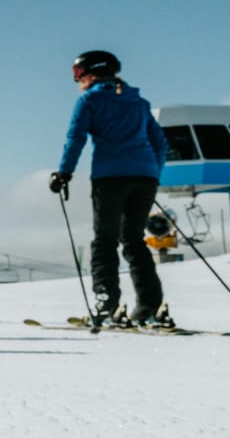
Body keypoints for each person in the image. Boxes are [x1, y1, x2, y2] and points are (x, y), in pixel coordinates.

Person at [49, 49, 166, 324]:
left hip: (110, 177)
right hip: (145, 177)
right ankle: (150, 307)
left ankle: (106, 303)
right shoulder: (139, 102)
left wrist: (64, 173)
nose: (77, 81)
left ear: (89, 72)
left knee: (105, 241)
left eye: (77, 74)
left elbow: (75, 137)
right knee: (134, 241)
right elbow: (159, 142)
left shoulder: (90, 100)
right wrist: (152, 172)